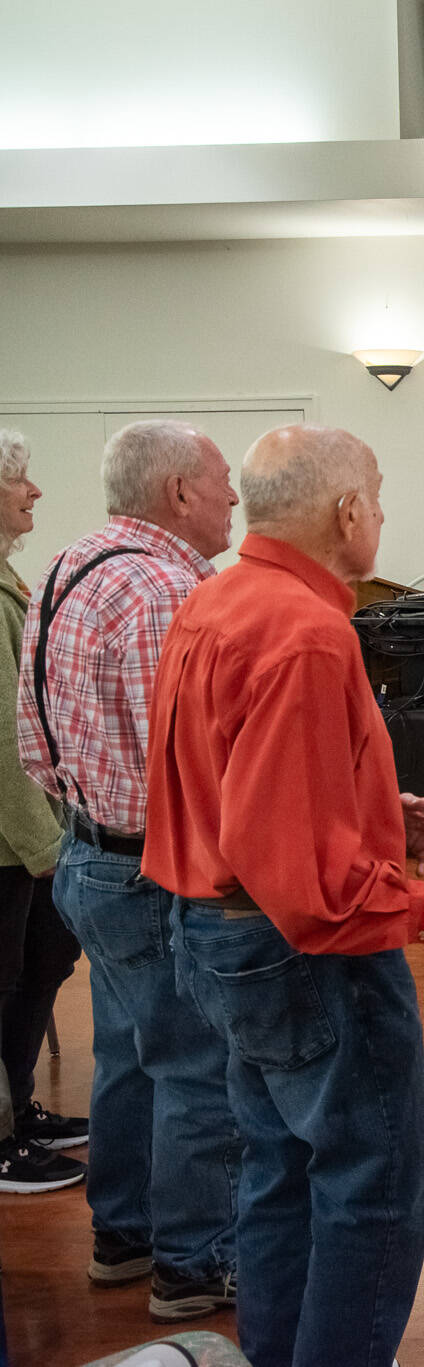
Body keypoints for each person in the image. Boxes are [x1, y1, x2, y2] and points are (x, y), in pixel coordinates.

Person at [140, 424, 424, 1367]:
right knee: (377, 1192)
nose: (380, 512)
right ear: (347, 512)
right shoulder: (307, 633)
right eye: (376, 496)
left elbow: (232, 782)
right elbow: (300, 876)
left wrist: (384, 806)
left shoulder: (219, 603)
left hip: (216, 939)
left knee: (280, 1174)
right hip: (302, 956)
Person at [16, 420, 244, 1317]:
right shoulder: (162, 590)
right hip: (156, 864)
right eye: (224, 480)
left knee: (129, 1054)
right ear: (180, 493)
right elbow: (184, 763)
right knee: (194, 1067)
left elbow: (34, 732)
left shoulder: (70, 563)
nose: (235, 497)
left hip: (88, 852)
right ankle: (192, 1266)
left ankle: (126, 1236)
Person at [0, 429, 85, 1196]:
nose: (33, 493)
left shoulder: (8, 580)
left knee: (42, 963)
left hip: (27, 835)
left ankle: (18, 1110)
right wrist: (43, 843)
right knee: (7, 978)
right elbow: (2, 734)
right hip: (12, 841)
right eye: (20, 480)